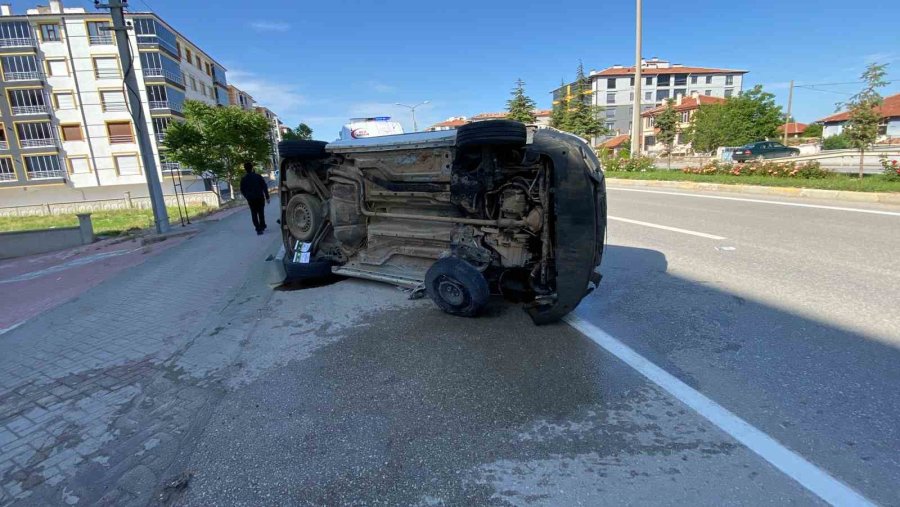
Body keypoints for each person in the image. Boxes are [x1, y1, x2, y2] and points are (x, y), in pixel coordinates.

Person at [239, 162, 270, 235]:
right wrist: (267, 197)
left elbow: (242, 189)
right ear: (252, 168)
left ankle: (258, 229)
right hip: (260, 197)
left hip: (251, 199)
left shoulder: (244, 179)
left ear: (245, 169)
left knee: (254, 213)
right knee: (261, 212)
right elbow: (264, 186)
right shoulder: (258, 176)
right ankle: (262, 225)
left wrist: (247, 196)